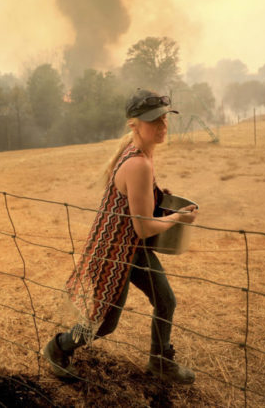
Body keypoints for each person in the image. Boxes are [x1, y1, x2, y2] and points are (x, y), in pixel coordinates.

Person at [43, 89, 198, 384]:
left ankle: (160, 362)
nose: (162, 126)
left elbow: (136, 209)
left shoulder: (141, 154)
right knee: (102, 325)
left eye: (164, 119)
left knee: (166, 301)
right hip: (113, 253)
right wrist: (179, 217)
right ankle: (59, 347)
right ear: (134, 124)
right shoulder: (138, 163)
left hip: (133, 251)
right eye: (154, 121)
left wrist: (157, 195)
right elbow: (144, 228)